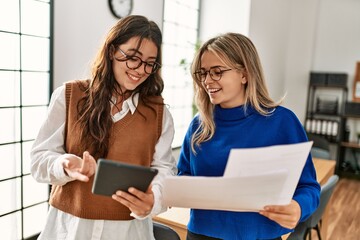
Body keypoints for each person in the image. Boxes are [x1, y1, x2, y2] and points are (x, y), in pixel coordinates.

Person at [30, 15, 177, 240]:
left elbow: (165, 169)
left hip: (129, 232)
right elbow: (38, 161)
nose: (140, 69)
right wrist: (65, 164)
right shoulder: (69, 96)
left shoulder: (159, 114)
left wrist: (153, 200)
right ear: (112, 52)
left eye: (149, 63)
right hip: (69, 230)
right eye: (133, 58)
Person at [177, 32, 321, 240]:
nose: (207, 81)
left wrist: (298, 207)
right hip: (200, 235)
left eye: (217, 72)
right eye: (203, 73)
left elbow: (308, 186)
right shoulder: (199, 124)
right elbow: (184, 176)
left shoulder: (282, 122)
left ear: (244, 74)